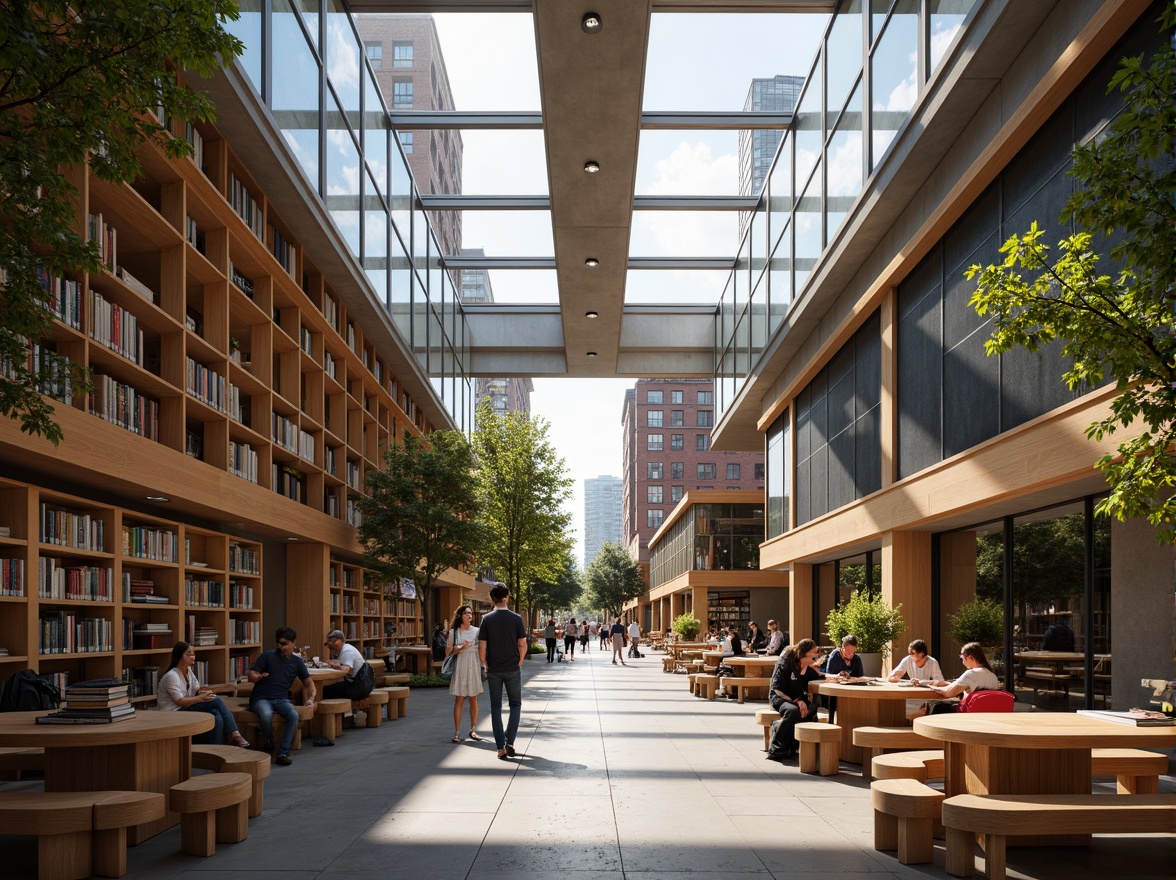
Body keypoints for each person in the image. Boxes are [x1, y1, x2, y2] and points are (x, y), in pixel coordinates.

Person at [158, 641, 250, 748]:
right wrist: (200, 698)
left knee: (217, 716)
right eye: (189, 654)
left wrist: (203, 693)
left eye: (193, 653)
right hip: (173, 712)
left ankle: (216, 751)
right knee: (217, 701)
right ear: (179, 656)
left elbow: (196, 689)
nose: (192, 657)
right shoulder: (172, 676)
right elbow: (180, 701)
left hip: (184, 708)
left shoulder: (188, 671)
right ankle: (234, 734)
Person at [249, 626, 315, 766]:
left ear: (293, 643)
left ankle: (283, 753)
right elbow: (251, 675)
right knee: (266, 714)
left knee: (293, 716)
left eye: (284, 643)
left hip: (281, 698)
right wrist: (259, 675)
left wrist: (311, 698)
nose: (281, 647)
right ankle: (269, 739)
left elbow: (309, 684)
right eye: (278, 643)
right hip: (261, 697)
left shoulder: (297, 662)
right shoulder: (268, 656)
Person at [478, 584, 528, 760]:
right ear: (507, 596)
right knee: (515, 705)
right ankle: (510, 742)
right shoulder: (516, 618)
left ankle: (500, 747)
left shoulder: (486, 619)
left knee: (495, 707)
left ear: (492, 598)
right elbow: (523, 644)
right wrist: (520, 661)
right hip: (513, 667)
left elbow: (482, 647)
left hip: (494, 669)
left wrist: (485, 664)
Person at [765, 639, 823, 763]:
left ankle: (794, 746)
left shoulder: (805, 665)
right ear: (805, 654)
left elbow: (817, 675)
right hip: (780, 697)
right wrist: (796, 701)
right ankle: (776, 748)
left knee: (811, 709)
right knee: (793, 711)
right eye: (813, 653)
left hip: (796, 697)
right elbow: (777, 688)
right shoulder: (785, 662)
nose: (816, 655)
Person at [914, 642, 1001, 714]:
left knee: (937, 706)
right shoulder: (992, 675)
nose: (962, 661)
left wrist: (932, 687)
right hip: (986, 714)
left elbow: (948, 693)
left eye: (962, 657)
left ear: (971, 658)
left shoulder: (972, 673)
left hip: (970, 714)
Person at [446, 605, 483, 742]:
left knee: (473, 698)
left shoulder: (477, 631)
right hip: (461, 665)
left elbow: (482, 648)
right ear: (460, 615)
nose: (469, 615)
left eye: (471, 613)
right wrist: (460, 647)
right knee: (459, 698)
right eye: (466, 613)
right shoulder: (454, 632)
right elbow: (447, 651)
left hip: (473, 665)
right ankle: (456, 732)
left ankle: (473, 729)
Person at [821, 634, 865, 723]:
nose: (849, 656)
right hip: (836, 686)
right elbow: (829, 675)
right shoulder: (834, 656)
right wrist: (839, 676)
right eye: (847, 652)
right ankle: (831, 720)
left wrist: (852, 678)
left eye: (852, 653)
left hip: (851, 686)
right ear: (842, 647)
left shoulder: (856, 659)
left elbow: (860, 676)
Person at [321, 630, 369, 700]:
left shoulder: (347, 651)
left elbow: (346, 670)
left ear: (338, 642)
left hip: (357, 687)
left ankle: (333, 710)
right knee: (329, 688)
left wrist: (333, 666)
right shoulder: (346, 648)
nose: (331, 648)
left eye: (331, 646)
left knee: (323, 691)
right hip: (360, 685)